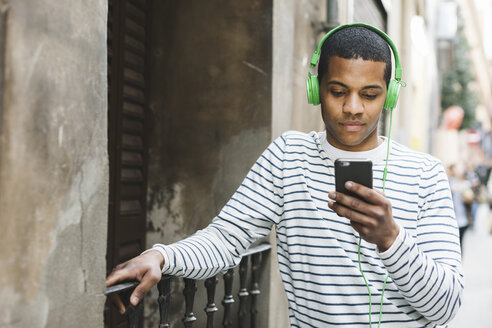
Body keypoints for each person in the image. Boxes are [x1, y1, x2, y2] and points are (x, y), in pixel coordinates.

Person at [107, 24, 463, 327]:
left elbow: (444, 307)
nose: (353, 107)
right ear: (315, 89)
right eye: (338, 92)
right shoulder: (288, 155)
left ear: (390, 95)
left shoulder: (425, 174)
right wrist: (161, 256)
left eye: (369, 94)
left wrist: (390, 239)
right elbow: (226, 239)